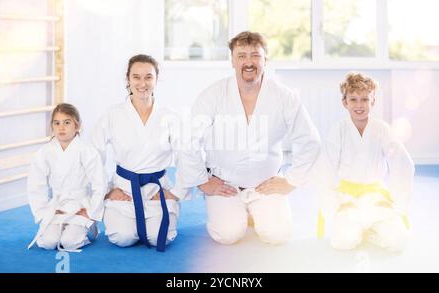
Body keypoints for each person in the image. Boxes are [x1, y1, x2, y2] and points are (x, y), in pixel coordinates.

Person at [177, 31, 321, 245]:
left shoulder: (284, 96)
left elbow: (310, 141)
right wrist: (203, 181)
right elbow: (188, 139)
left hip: (266, 184)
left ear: (266, 60)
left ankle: (256, 211)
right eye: (241, 55)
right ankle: (237, 211)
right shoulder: (213, 95)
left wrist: (291, 181)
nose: (248, 62)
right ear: (232, 61)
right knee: (227, 235)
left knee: (278, 235)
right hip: (225, 184)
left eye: (255, 55)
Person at [91, 54, 188, 252]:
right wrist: (106, 191)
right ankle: (122, 218)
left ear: (156, 79)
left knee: (159, 237)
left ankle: (160, 214)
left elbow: (186, 156)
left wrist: (176, 192)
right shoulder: (113, 114)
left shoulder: (169, 117)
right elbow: (93, 155)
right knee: (122, 237)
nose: (142, 83)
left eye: (148, 77)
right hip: (124, 189)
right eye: (136, 77)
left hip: (157, 190)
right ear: (128, 79)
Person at [316, 72, 414, 252]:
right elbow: (325, 169)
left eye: (365, 99)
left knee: (398, 241)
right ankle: (357, 227)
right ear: (344, 102)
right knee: (343, 242)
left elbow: (403, 164)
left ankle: (370, 229)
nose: (359, 105)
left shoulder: (382, 129)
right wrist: (333, 206)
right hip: (347, 199)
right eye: (353, 99)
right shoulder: (338, 130)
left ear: (373, 101)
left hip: (376, 198)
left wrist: (396, 200)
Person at [28, 103, 106, 252]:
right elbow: (35, 186)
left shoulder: (87, 151)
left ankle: (90, 228)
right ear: (52, 126)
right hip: (57, 206)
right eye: (56, 123)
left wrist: (90, 211)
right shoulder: (45, 152)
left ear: (77, 126)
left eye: (67, 122)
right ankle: (61, 227)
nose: (61, 127)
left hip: (81, 206)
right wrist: (45, 212)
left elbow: (99, 183)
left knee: (69, 242)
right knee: (49, 242)